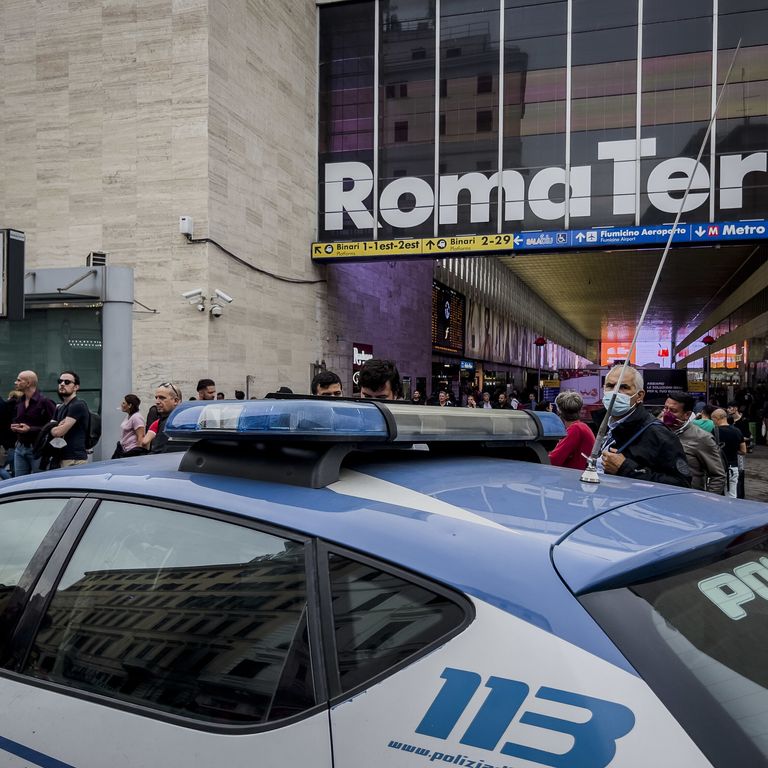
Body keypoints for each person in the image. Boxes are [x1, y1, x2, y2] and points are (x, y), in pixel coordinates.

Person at [599, 365, 691, 487]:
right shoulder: (603, 425)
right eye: (610, 386)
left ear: (640, 396)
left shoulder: (659, 434)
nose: (615, 392)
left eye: (623, 387)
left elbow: (681, 484)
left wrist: (626, 468)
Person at [661, 393, 725, 495]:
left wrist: (706, 502)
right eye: (665, 408)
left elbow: (718, 476)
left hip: (689, 499)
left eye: (673, 411)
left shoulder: (701, 438)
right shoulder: (658, 431)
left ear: (687, 415)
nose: (667, 414)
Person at [10, 370, 56, 476]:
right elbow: (16, 419)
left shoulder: (45, 402)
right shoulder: (20, 401)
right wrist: (15, 426)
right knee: (19, 483)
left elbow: (53, 426)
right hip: (20, 447)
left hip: (38, 449)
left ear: (28, 383)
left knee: (39, 482)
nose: (15, 382)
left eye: (19, 380)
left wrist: (30, 429)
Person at [49, 371, 90, 468]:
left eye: (67, 382)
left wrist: (56, 427)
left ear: (76, 387)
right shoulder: (59, 407)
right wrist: (56, 427)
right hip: (60, 457)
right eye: (60, 381)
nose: (62, 384)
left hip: (74, 459)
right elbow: (50, 429)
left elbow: (57, 432)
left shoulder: (78, 405)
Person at [549, 391, 595, 470]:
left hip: (573, 478)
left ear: (559, 411)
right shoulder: (582, 427)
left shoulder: (575, 429)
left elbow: (553, 460)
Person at [712, 408, 746, 499]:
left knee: (714, 496)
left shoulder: (714, 431)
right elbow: (743, 451)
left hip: (717, 468)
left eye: (713, 419)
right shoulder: (737, 431)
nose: (713, 422)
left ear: (717, 418)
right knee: (731, 495)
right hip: (732, 467)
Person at [142, 383, 182, 453]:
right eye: (156, 398)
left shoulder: (170, 422)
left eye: (162, 398)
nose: (157, 402)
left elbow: (157, 453)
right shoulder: (164, 420)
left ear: (176, 401)